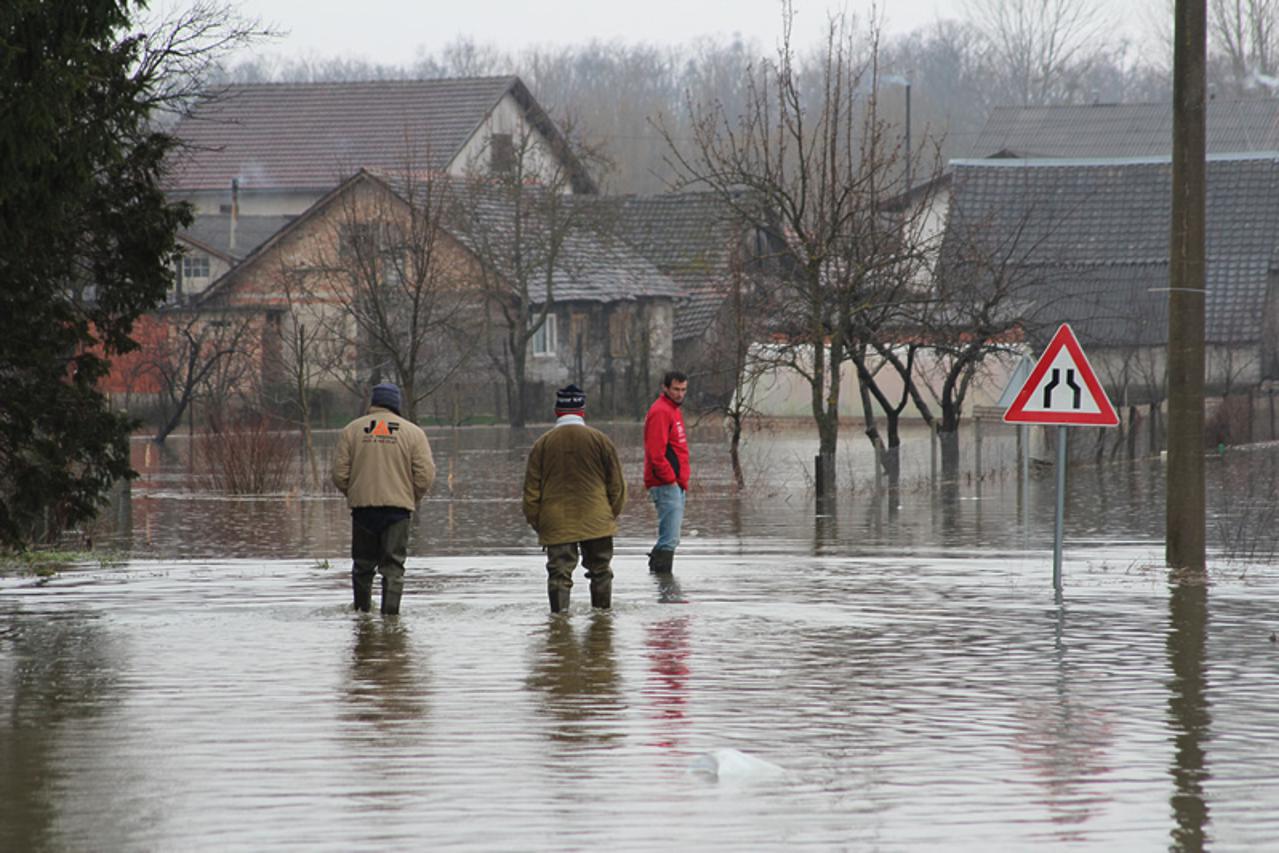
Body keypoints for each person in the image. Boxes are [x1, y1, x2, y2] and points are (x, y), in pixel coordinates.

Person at [331, 382, 435, 616]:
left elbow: (339, 474)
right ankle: (390, 618)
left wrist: (356, 492)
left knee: (362, 567)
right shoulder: (413, 433)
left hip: (363, 511)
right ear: (396, 405)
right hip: (397, 511)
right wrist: (410, 496)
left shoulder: (351, 430)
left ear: (373, 404)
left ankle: (362, 614)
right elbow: (425, 475)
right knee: (393, 568)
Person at [522, 384, 627, 612]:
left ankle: (559, 627)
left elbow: (531, 494)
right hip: (597, 519)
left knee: (559, 575)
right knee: (600, 572)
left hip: (556, 520)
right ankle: (601, 624)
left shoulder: (542, 445)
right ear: (583, 410)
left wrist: (540, 525)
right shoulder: (601, 441)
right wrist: (608, 516)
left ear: (556, 411)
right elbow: (617, 488)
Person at [643, 370, 690, 573]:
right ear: (665, 388)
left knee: (672, 538)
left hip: (675, 484)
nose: (680, 394)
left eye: (683, 390)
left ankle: (661, 583)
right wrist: (671, 480)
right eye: (676, 389)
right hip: (665, 484)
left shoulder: (673, 411)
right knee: (669, 539)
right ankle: (663, 586)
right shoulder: (661, 411)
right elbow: (656, 454)